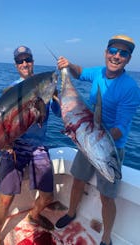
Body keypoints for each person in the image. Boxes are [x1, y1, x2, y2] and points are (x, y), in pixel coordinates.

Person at [55, 35, 140, 245]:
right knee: (77, 180)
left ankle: (106, 238)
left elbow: (121, 128)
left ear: (128, 59)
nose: (116, 56)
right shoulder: (99, 73)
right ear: (106, 52)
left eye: (123, 53)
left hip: (108, 147)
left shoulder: (130, 88)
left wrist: (96, 139)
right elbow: (80, 72)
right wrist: (68, 65)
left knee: (107, 197)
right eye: (113, 51)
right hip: (88, 139)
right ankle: (72, 212)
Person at [0, 46, 60, 245]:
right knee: (5, 199)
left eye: (27, 59)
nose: (24, 64)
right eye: (20, 61)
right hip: (15, 145)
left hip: (38, 147)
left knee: (48, 196)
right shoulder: (13, 88)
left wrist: (57, 93)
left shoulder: (45, 83)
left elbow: (58, 112)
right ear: (16, 65)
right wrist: (5, 143)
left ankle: (33, 215)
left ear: (33, 61)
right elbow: (2, 121)